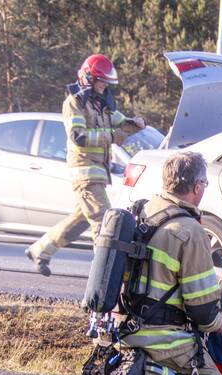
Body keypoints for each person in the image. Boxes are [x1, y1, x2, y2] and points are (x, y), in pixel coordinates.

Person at [102, 151, 222, 375]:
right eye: (204, 184)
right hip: (162, 337)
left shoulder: (140, 211)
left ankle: (119, 359)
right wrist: (218, 325)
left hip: (120, 328)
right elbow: (202, 308)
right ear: (197, 187)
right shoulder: (191, 231)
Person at [25, 54, 145, 276]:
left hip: (99, 173)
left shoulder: (102, 104)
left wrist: (136, 124)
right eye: (101, 81)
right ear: (89, 78)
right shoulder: (74, 103)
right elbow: (78, 136)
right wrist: (111, 135)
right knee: (103, 221)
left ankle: (40, 250)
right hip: (85, 173)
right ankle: (104, 275)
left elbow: (122, 124)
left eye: (106, 82)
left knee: (80, 220)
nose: (104, 86)